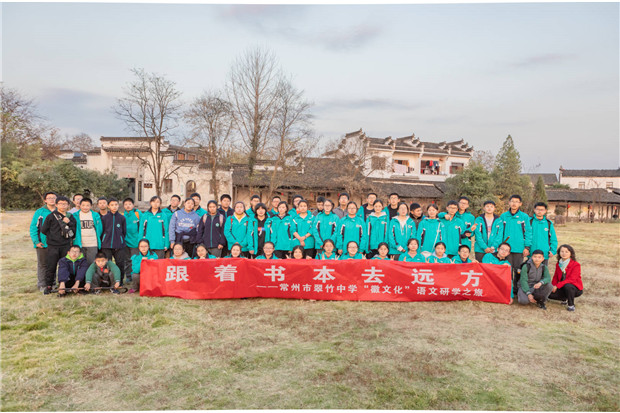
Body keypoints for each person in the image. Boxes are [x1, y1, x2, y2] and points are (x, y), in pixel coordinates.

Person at [495, 194, 532, 296]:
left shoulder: (524, 217)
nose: (514, 203)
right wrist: (499, 246)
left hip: (519, 248)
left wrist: (527, 247)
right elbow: (500, 232)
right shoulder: (504, 216)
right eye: (512, 201)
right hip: (506, 249)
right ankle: (507, 289)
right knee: (507, 269)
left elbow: (528, 232)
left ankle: (517, 290)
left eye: (516, 202)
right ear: (509, 202)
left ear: (520, 204)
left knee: (518, 270)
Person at [40, 196, 77, 294]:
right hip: (53, 246)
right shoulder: (51, 216)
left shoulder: (70, 217)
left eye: (65, 204)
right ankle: (49, 286)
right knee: (51, 266)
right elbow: (44, 230)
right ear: (56, 205)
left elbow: (74, 231)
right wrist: (53, 236)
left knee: (65, 265)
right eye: (60, 204)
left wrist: (69, 223)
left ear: (68, 205)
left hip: (66, 245)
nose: (63, 206)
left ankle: (65, 285)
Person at [30, 191, 57, 291]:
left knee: (53, 264)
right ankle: (42, 284)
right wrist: (36, 241)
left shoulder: (59, 211)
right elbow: (33, 227)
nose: (52, 200)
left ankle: (52, 283)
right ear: (45, 200)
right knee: (43, 264)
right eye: (49, 198)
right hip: (43, 243)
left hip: (56, 243)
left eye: (54, 198)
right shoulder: (40, 212)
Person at [100, 197, 127, 285]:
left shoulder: (122, 218)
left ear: (118, 206)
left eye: (116, 205)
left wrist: (120, 239)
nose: (114, 206)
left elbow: (124, 231)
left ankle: (120, 281)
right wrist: (104, 240)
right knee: (107, 264)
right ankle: (107, 281)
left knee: (120, 264)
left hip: (119, 245)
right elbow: (102, 231)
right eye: (112, 205)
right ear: (108, 206)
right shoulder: (104, 218)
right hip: (106, 245)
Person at [548, 244, 583, 312]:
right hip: (562, 287)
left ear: (571, 253)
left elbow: (572, 279)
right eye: (562, 251)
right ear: (559, 253)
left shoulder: (576, 265)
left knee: (568, 286)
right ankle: (564, 298)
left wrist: (557, 286)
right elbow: (555, 277)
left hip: (574, 288)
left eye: (566, 252)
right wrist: (553, 286)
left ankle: (571, 305)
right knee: (548, 293)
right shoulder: (558, 264)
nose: (564, 253)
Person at [72, 197, 102, 266]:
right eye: (83, 205)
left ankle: (91, 274)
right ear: (80, 205)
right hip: (80, 243)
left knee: (92, 263)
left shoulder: (95, 215)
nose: (85, 207)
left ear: (91, 206)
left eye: (87, 205)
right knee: (80, 263)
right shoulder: (75, 215)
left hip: (92, 243)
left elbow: (99, 228)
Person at [122, 197, 142, 282]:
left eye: (130, 204)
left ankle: (136, 276)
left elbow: (142, 227)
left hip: (135, 242)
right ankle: (128, 277)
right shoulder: (123, 215)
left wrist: (140, 240)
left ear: (133, 205)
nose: (128, 206)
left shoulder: (138, 214)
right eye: (126, 204)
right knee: (127, 260)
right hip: (125, 242)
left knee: (135, 259)